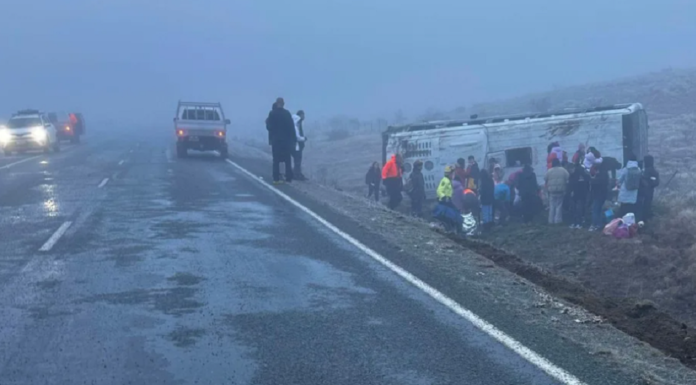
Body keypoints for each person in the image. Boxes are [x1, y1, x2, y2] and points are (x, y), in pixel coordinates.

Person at [266, 98, 296, 184]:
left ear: (276, 103)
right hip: (286, 141)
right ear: (283, 104)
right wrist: (293, 140)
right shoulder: (287, 114)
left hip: (276, 140)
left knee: (276, 160)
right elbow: (291, 128)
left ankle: (276, 178)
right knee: (287, 159)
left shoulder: (272, 114)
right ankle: (288, 178)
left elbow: (269, 127)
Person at [545, 158, 569, 224]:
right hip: (561, 190)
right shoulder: (563, 170)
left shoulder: (549, 171)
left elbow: (545, 178)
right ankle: (557, 220)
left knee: (552, 205)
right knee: (559, 205)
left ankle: (551, 220)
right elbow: (568, 177)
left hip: (551, 191)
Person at [589, 161, 610, 231]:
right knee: (600, 209)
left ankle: (595, 224)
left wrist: (592, 179)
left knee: (595, 210)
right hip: (603, 195)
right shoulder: (605, 174)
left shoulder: (599, 176)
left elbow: (594, 184)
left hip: (597, 195)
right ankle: (600, 224)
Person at [569, 161, 590, 228]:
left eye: (570, 170)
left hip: (580, 193)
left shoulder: (578, 174)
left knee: (578, 208)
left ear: (573, 168)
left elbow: (575, 184)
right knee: (576, 208)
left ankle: (579, 222)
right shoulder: (573, 174)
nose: (570, 172)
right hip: (577, 193)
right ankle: (576, 222)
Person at [638, 155, 660, 221]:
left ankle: (644, 219)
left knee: (645, 206)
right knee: (646, 205)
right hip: (645, 191)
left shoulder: (651, 171)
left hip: (646, 191)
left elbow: (656, 182)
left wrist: (648, 184)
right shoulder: (644, 170)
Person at [292, 110, 308, 181]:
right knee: (297, 160)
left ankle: (297, 173)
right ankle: (296, 174)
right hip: (296, 145)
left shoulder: (298, 123)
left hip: (297, 145)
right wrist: (303, 139)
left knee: (297, 160)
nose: (304, 117)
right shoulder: (296, 124)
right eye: (303, 115)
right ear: (300, 115)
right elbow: (297, 136)